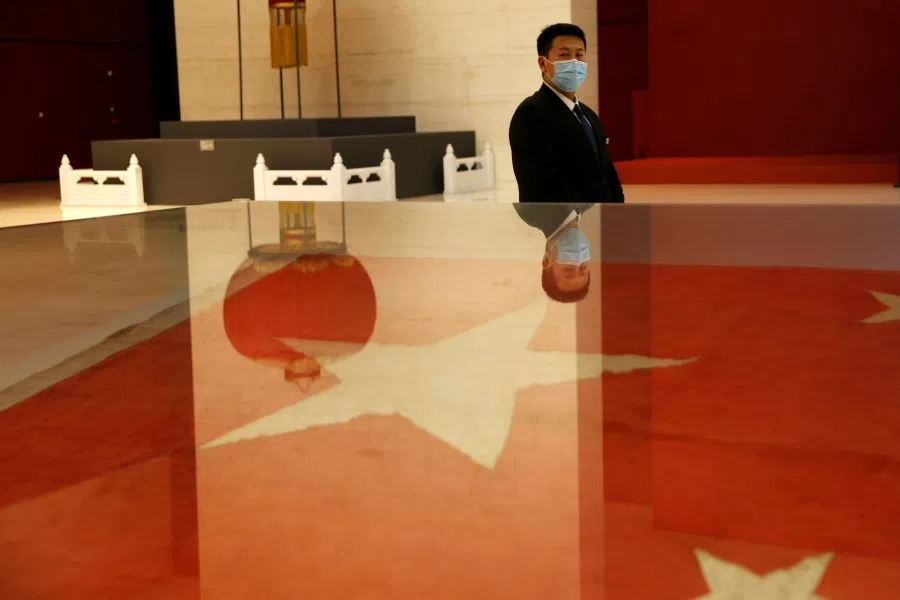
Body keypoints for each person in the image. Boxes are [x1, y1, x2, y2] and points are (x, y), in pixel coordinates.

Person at [509, 23, 624, 204]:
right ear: (543, 63)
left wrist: (618, 214)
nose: (574, 62)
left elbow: (607, 173)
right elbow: (544, 183)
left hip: (601, 223)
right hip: (561, 226)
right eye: (564, 55)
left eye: (579, 55)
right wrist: (577, 225)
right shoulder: (531, 114)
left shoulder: (589, 115)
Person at [514, 203, 594, 303]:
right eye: (583, 268)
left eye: (568, 270)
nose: (578, 261)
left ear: (547, 260)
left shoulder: (531, 210)